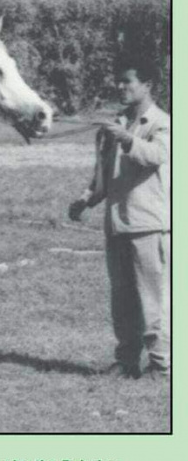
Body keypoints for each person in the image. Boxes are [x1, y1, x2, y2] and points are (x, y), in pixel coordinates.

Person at [69, 55, 170, 380]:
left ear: (148, 85)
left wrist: (126, 138)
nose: (120, 86)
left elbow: (156, 156)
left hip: (149, 225)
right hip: (117, 224)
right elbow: (103, 177)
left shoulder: (163, 123)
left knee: (153, 300)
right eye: (119, 81)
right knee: (122, 300)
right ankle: (126, 361)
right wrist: (86, 200)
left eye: (128, 81)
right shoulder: (115, 125)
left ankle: (161, 364)